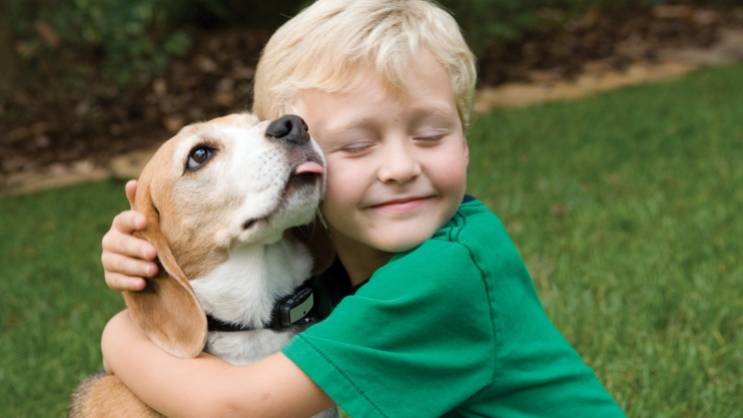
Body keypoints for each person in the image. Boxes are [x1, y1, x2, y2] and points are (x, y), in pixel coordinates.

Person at [100, 0, 626, 416]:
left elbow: (236, 407)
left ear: (466, 142)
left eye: (430, 134)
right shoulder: (334, 268)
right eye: (355, 145)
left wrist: (119, 333)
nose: (399, 167)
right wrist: (149, 268)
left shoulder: (446, 272)